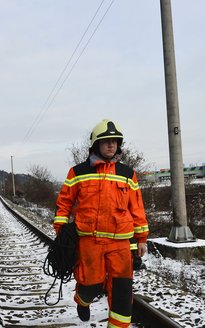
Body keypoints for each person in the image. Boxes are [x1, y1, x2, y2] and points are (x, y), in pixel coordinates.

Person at [53, 119, 149, 327]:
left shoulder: (127, 174)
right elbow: (64, 203)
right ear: (96, 144)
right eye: (106, 141)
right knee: (91, 284)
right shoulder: (78, 172)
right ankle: (82, 300)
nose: (111, 145)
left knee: (123, 291)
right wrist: (61, 232)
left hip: (120, 244)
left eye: (114, 141)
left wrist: (141, 239)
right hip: (90, 241)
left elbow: (137, 208)